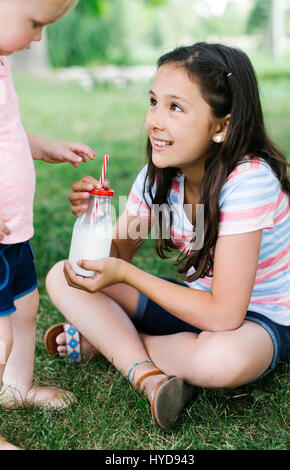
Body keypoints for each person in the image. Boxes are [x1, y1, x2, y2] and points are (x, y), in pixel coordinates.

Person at [45, 42, 290, 430]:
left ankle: (113, 342)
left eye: (175, 107)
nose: (154, 121)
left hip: (262, 323)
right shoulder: (158, 177)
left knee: (219, 360)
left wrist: (126, 277)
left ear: (222, 126)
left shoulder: (249, 181)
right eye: (153, 102)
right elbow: (108, 260)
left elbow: (225, 315)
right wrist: (93, 218)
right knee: (63, 277)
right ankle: (148, 376)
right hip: (195, 307)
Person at [0, 0, 95, 449]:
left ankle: (15, 389)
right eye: (34, 23)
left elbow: (7, 132)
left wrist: (42, 147)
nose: (38, 36)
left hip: (13, 234)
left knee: (25, 307)